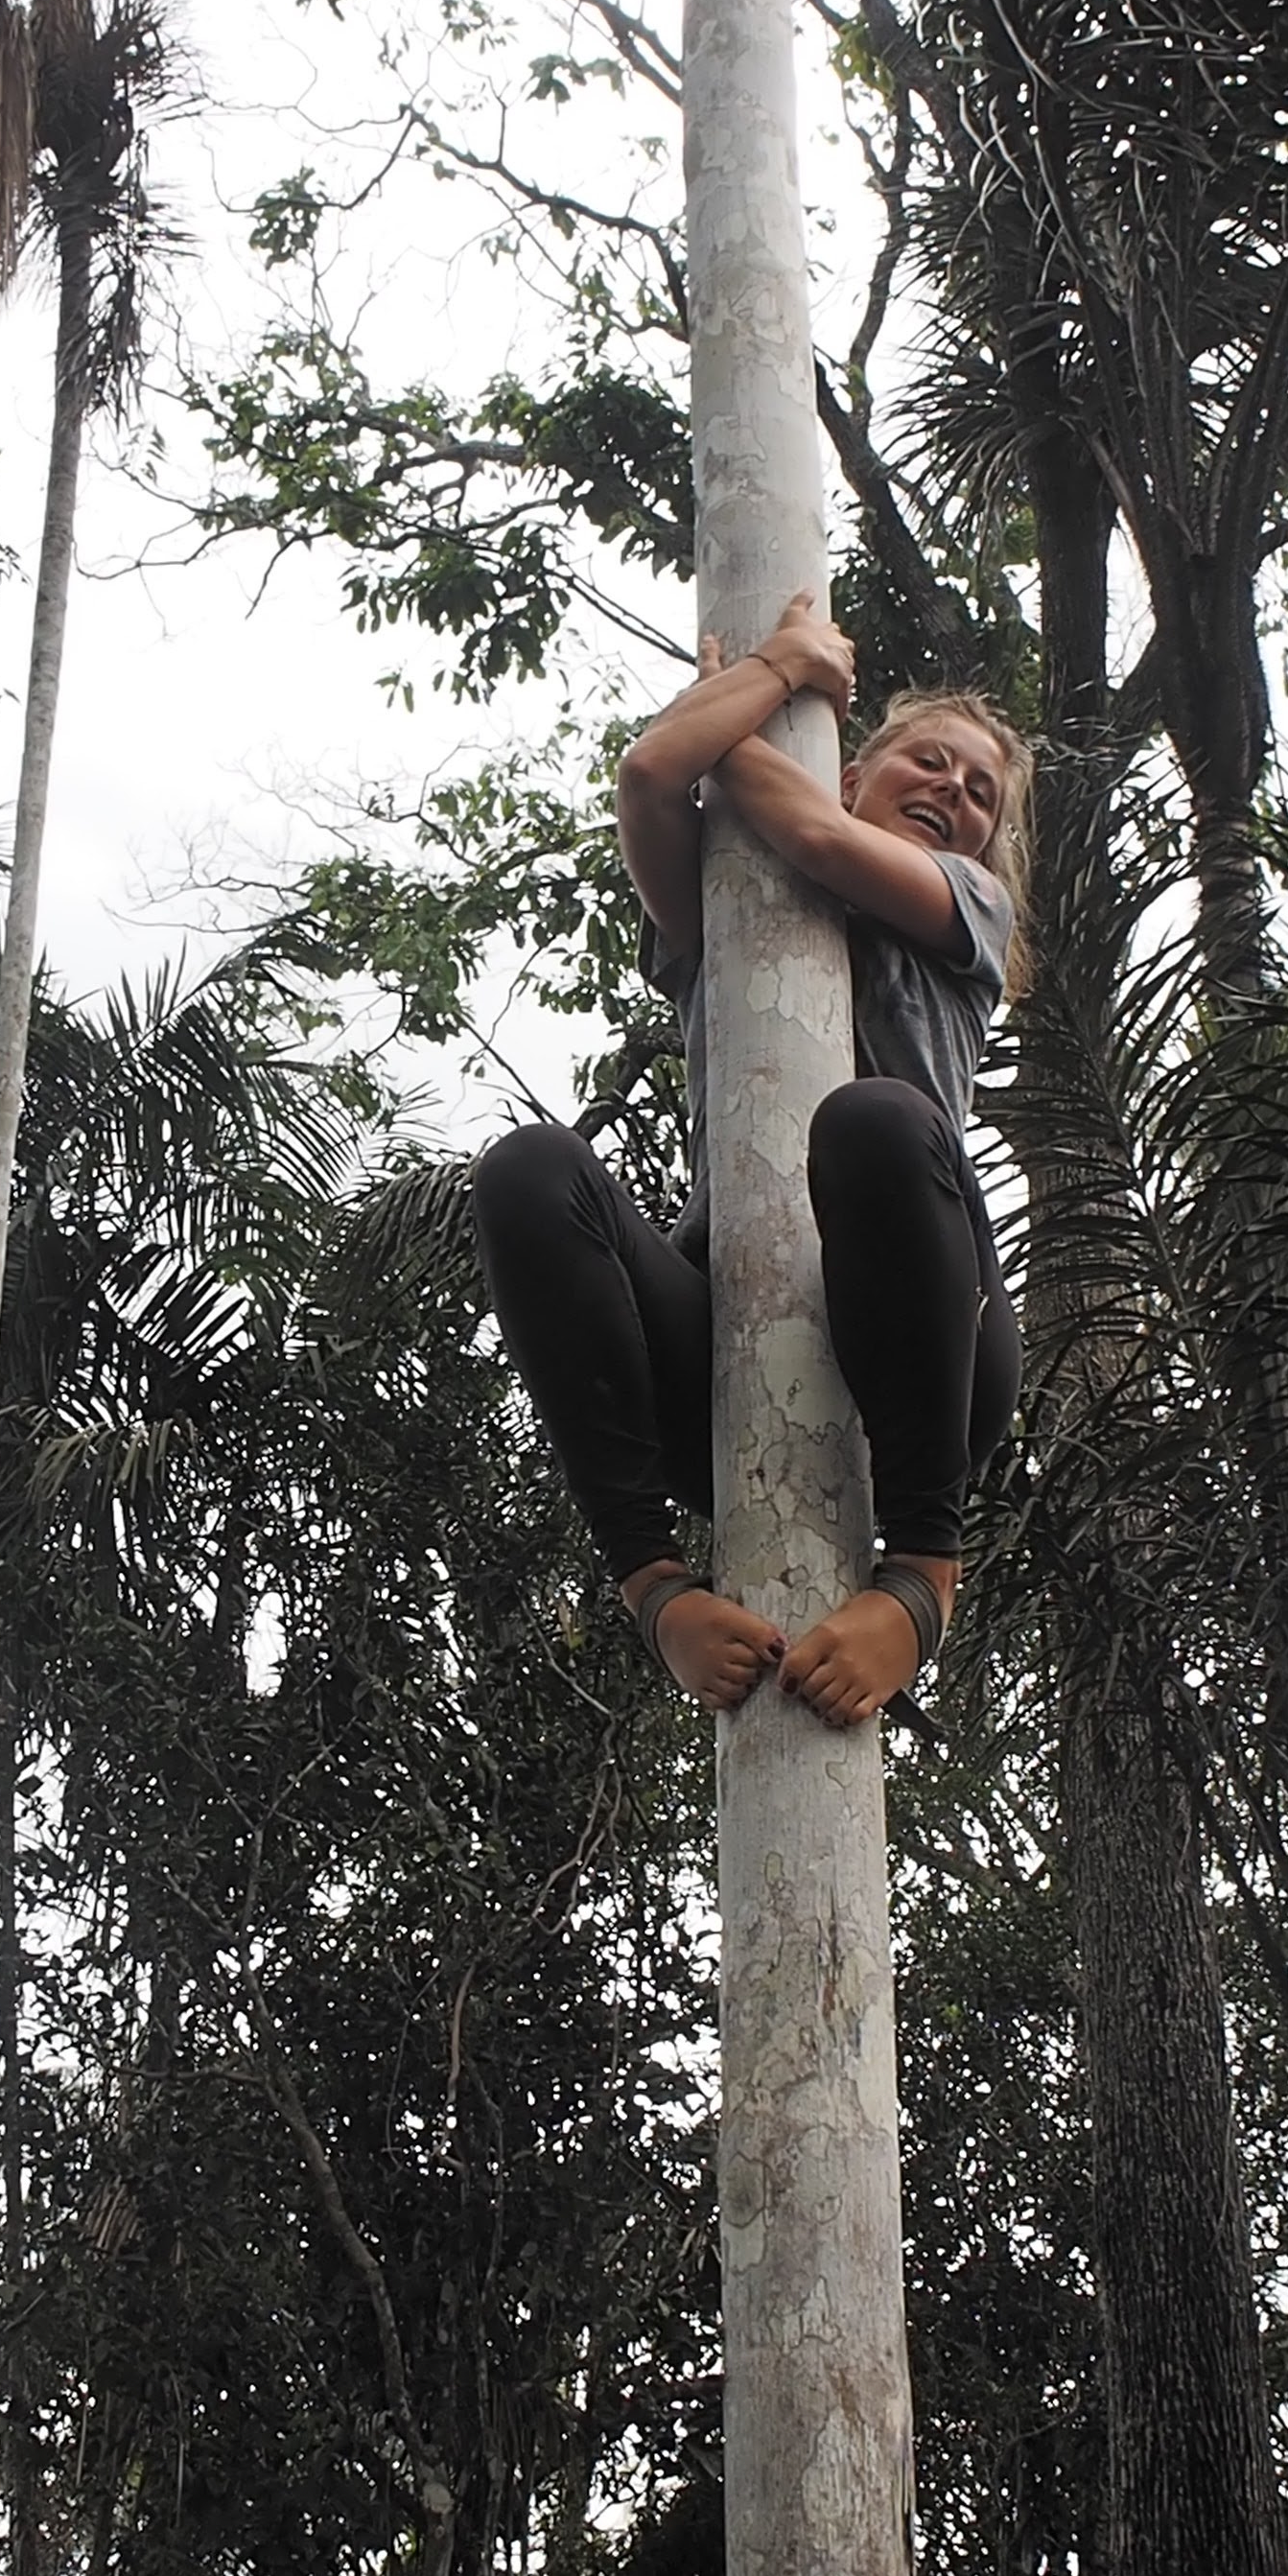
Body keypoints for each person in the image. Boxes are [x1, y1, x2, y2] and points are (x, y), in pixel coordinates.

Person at [471, 592, 1029, 1729]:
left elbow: (813, 833)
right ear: (855, 762)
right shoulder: (726, 905)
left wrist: (744, 704)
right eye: (930, 762)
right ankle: (654, 1583)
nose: (954, 798)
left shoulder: (971, 906)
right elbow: (647, 775)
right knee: (530, 1168)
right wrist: (782, 666)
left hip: (928, 1337)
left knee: (872, 1117)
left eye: (981, 794)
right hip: (722, 1352)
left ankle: (923, 1576)